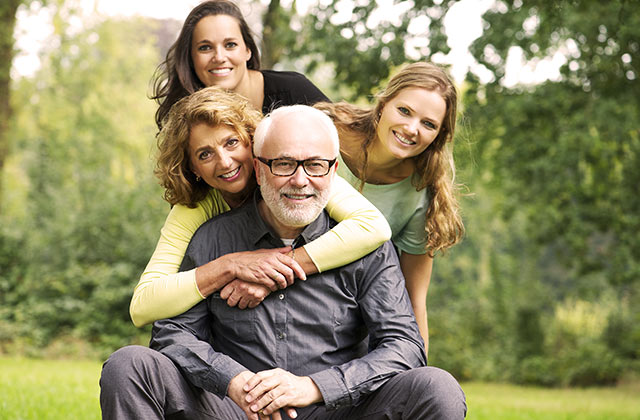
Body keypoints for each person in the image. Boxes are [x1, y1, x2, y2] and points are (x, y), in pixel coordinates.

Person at [100, 105, 466, 419]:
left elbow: (404, 345)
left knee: (436, 386)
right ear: (259, 171)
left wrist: (314, 387)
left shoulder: (366, 246)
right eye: (285, 164)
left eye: (315, 166)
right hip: (235, 409)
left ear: (334, 172)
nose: (300, 180)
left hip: (335, 409)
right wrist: (233, 380)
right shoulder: (211, 236)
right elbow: (173, 334)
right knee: (131, 364)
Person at [130, 86, 391, 327]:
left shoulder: (291, 175)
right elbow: (142, 306)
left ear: (251, 140)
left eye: (231, 142)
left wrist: (274, 270)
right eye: (204, 154)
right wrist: (229, 265)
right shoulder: (195, 207)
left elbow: (373, 226)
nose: (224, 162)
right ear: (193, 168)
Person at [315, 62, 465, 353]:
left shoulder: (422, 193)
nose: (411, 129)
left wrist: (417, 373)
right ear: (383, 105)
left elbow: (412, 298)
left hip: (345, 312)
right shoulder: (325, 130)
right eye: (404, 111)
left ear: (439, 135)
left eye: (428, 124)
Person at [151, 0, 329, 129]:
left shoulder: (293, 90)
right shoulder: (187, 117)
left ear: (248, 50)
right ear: (190, 58)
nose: (219, 57)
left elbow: (351, 140)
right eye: (205, 47)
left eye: (230, 45)